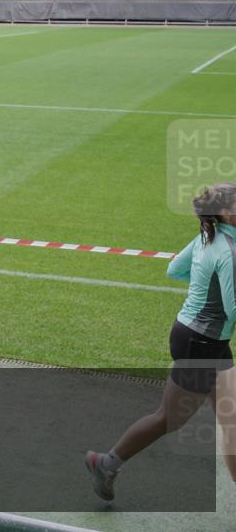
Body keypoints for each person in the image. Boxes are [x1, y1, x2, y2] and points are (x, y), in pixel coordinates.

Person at [86, 182, 236, 501]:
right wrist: (210, 293)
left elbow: (174, 270)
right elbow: (233, 308)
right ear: (225, 213)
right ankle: (105, 464)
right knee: (169, 418)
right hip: (200, 345)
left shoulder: (207, 237)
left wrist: (203, 288)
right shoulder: (228, 250)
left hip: (204, 339)